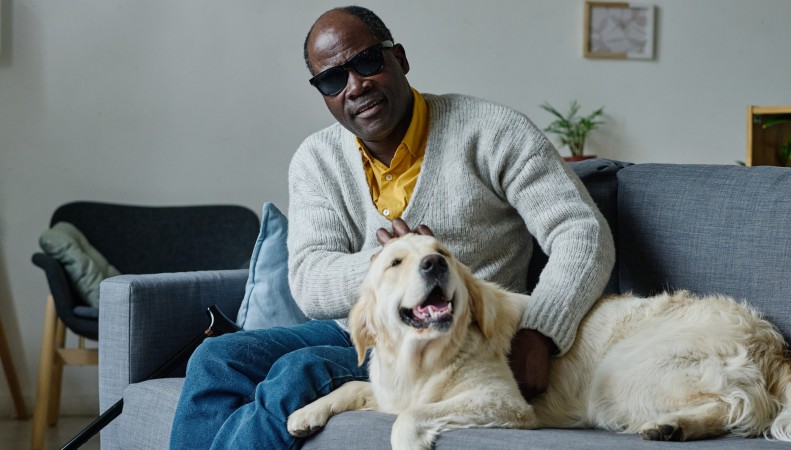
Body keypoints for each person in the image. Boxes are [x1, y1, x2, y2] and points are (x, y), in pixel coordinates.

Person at [169, 5, 614, 449]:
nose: (356, 86)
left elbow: (582, 232)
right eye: (332, 79)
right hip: (363, 331)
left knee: (299, 370)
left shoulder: (494, 132)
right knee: (216, 357)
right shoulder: (316, 159)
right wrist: (389, 265)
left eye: (367, 62)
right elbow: (307, 279)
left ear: (399, 58)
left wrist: (541, 331)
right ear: (322, 93)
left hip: (456, 338)